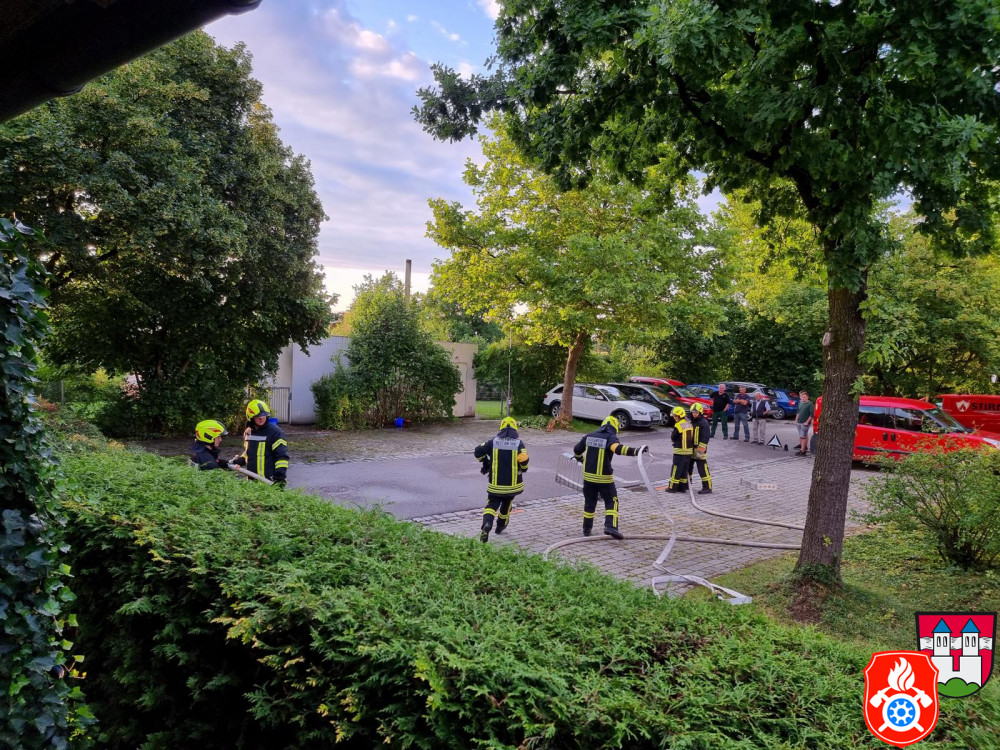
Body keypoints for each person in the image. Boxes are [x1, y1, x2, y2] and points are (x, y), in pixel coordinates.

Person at [572, 415, 647, 539]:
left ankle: (586, 529)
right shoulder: (610, 436)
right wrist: (636, 451)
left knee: (590, 502)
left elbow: (577, 450)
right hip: (604, 478)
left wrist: (581, 459)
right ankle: (610, 527)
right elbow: (618, 449)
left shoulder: (590, 435)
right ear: (615, 427)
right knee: (611, 501)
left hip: (588, 478)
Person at [474, 416, 529, 543]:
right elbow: (524, 461)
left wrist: (485, 461)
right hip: (512, 486)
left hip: (495, 486)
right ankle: (500, 526)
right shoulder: (518, 443)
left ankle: (487, 524)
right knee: (506, 505)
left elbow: (477, 451)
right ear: (515, 428)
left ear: (501, 428)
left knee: (491, 505)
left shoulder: (492, 442)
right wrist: (523, 468)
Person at [232, 399, 289, 486]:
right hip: (251, 481)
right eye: (258, 416)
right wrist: (240, 460)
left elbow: (281, 457)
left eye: (264, 415)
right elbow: (248, 452)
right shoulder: (248, 432)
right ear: (251, 417)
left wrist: (279, 477)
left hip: (269, 482)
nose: (261, 418)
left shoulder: (275, 433)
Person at [667, 405, 694, 492]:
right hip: (688, 452)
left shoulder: (678, 425)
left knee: (676, 470)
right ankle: (682, 488)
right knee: (684, 471)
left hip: (680, 452)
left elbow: (673, 437)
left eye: (676, 416)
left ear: (680, 416)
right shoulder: (689, 423)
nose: (674, 418)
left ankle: (672, 488)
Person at [688, 402, 712, 494]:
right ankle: (688, 484)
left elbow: (705, 438)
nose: (694, 414)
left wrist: (700, 452)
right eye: (693, 412)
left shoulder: (704, 423)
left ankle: (707, 487)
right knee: (688, 468)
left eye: (696, 412)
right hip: (690, 449)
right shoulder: (689, 421)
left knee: (702, 468)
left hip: (699, 449)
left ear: (700, 413)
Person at [795, 391, 815, 456]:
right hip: (799, 422)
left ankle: (803, 451)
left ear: (807, 397)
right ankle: (802, 447)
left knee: (803, 436)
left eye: (804, 397)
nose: (803, 398)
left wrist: (807, 422)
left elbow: (812, 414)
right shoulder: (800, 403)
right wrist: (796, 420)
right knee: (801, 436)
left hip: (805, 423)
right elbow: (798, 412)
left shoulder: (810, 404)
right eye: (802, 397)